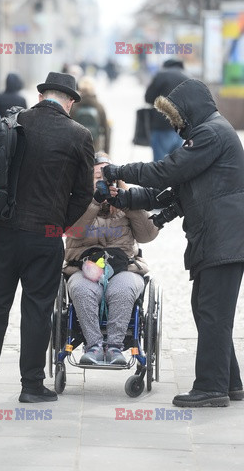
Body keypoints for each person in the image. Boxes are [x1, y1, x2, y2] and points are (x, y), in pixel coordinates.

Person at [102, 78, 244, 407]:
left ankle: (211, 387)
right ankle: (230, 382)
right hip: (216, 238)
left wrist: (120, 170)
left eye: (177, 116)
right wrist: (124, 197)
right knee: (210, 312)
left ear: (189, 110)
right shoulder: (208, 133)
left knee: (212, 313)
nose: (176, 124)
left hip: (223, 238)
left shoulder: (211, 133)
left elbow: (167, 172)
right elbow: (173, 193)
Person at [0, 72, 95, 403]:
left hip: (4, 231)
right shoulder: (79, 135)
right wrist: (58, 224)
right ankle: (31, 386)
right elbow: (84, 193)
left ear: (41, 95)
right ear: (70, 101)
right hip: (45, 236)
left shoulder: (14, 123)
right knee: (37, 309)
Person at [63, 152, 159, 365]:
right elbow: (73, 232)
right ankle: (94, 346)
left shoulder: (127, 202)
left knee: (123, 289)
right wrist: (95, 202)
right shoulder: (77, 202)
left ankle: (115, 347)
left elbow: (148, 235)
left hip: (124, 267)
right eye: (98, 176)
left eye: (108, 176)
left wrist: (127, 204)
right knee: (81, 289)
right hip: (84, 268)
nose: (104, 181)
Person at [145, 59, 188, 161]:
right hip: (181, 128)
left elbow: (148, 97)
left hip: (162, 125)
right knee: (175, 163)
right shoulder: (187, 77)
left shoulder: (161, 76)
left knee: (159, 163)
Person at [71, 76, 111, 154]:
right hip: (94, 147)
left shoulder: (74, 105)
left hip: (75, 146)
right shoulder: (99, 106)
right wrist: (106, 153)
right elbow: (106, 130)